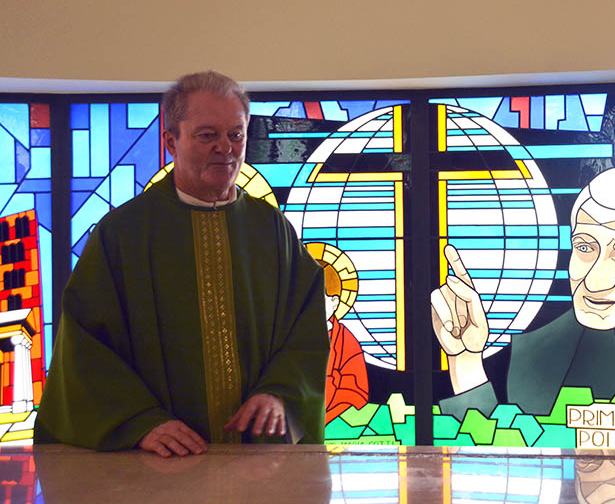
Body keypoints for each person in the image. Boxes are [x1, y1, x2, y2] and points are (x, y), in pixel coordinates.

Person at [36, 71, 329, 456]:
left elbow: (305, 330)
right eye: (207, 135)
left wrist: (280, 394)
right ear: (171, 141)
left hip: (256, 460)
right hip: (156, 462)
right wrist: (140, 422)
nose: (225, 147)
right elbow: (84, 348)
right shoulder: (123, 233)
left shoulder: (271, 228)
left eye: (236, 134)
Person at [432, 166, 615, 418]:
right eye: (584, 248)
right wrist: (465, 360)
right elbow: (505, 443)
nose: (594, 282)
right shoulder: (532, 352)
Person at [319, 249, 369, 423]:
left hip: (337, 414)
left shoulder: (346, 341)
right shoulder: (289, 337)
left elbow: (356, 392)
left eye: (319, 298)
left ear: (335, 302)